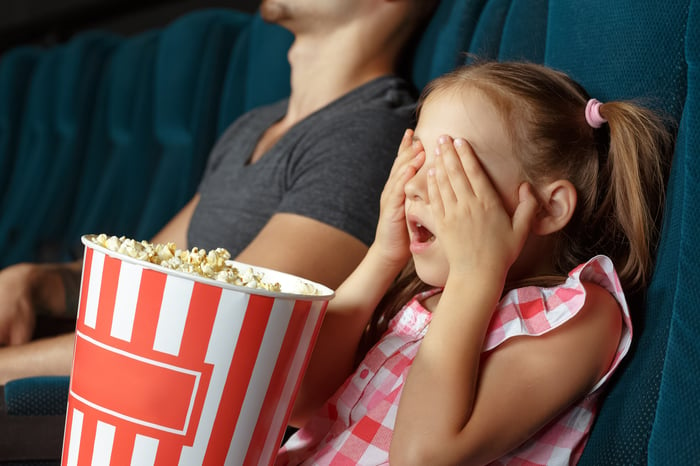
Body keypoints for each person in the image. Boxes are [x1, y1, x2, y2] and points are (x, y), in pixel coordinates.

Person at [0, 0, 439, 384]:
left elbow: (211, 331)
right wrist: (35, 281)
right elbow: (144, 272)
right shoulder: (253, 126)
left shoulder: (365, 137)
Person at [276, 61, 672, 465]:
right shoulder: (423, 300)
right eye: (416, 164)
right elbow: (297, 401)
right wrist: (382, 255)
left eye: (450, 173)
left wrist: (474, 275)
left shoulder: (578, 314)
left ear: (547, 208)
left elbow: (422, 457)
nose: (412, 187)